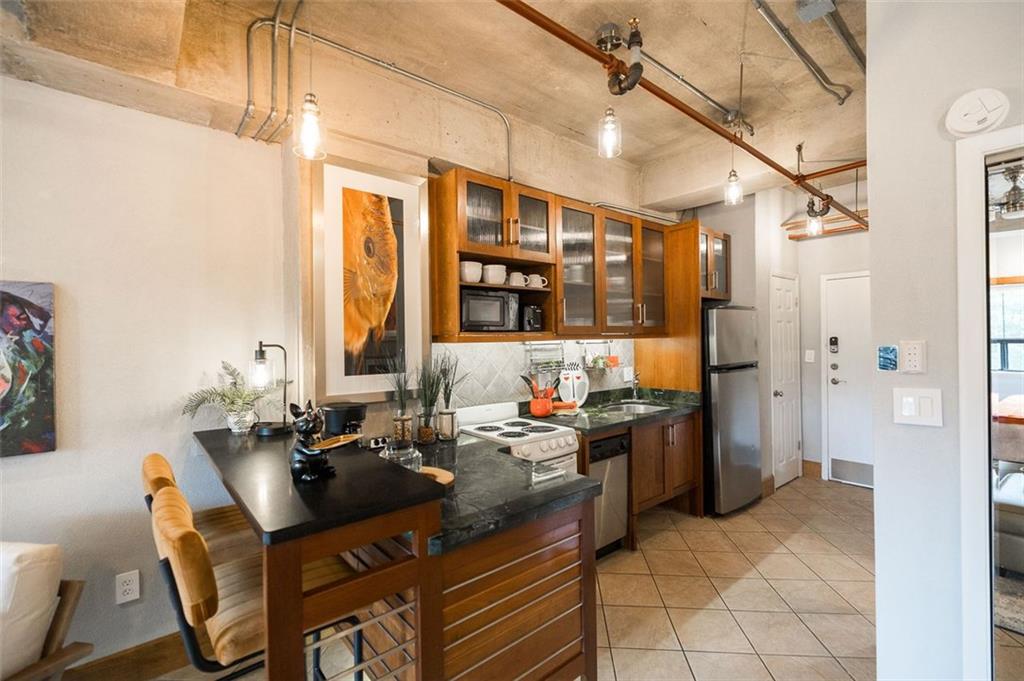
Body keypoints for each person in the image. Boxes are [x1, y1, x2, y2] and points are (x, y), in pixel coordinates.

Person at [0, 290, 55, 455]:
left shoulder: (31, 340)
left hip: (35, 425)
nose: (25, 322)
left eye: (23, 317)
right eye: (19, 318)